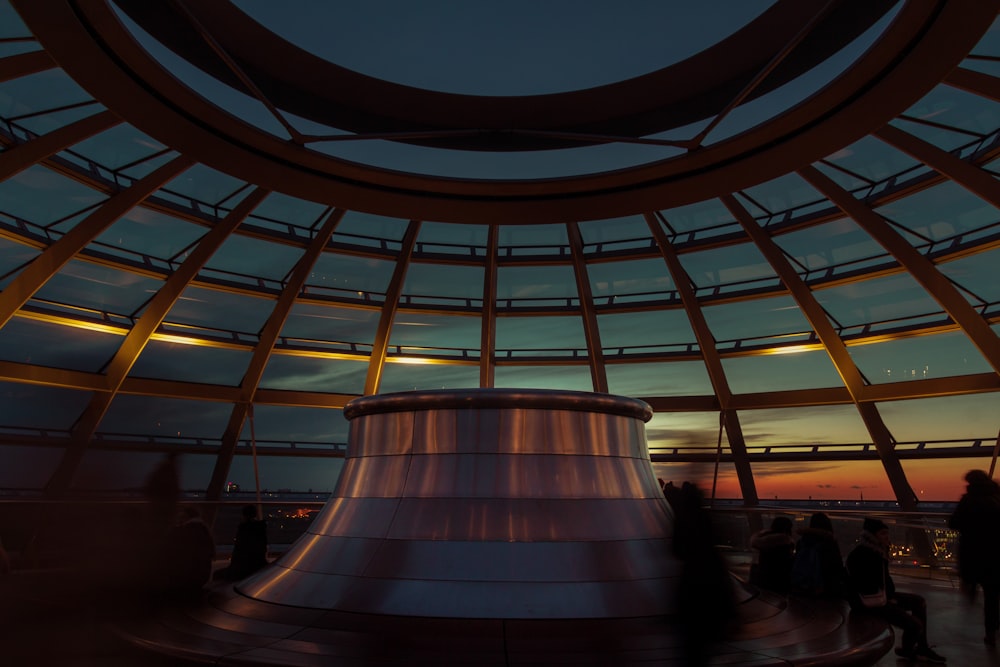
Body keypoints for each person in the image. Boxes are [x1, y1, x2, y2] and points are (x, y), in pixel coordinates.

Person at [846, 517, 946, 663]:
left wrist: (889, 596)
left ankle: (917, 648)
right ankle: (911, 649)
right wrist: (890, 599)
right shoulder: (868, 555)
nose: (887, 537)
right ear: (872, 536)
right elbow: (868, 584)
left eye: (887, 533)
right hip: (870, 602)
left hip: (879, 597)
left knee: (919, 602)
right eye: (883, 534)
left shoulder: (875, 552)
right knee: (915, 624)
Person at [948, 469, 1000, 646]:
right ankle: (992, 630)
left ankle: (970, 589)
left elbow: (954, 523)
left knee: (976, 581)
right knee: (992, 595)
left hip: (973, 553)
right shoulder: (996, 498)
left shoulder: (968, 500)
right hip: (994, 554)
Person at [790, 512, 847, 598]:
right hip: (826, 590)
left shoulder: (801, 543)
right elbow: (836, 567)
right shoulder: (830, 543)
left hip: (803, 589)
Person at [163, 506, 216, 598]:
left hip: (186, 577)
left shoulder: (183, 531)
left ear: (186, 516)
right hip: (201, 577)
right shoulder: (203, 529)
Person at [215, 504, 269, 581]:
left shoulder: (243, 529)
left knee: (217, 575)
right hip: (257, 564)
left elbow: (239, 550)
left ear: (244, 515)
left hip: (243, 566)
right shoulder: (260, 528)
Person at [750, 516, 795, 593]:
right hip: (777, 585)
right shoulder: (783, 545)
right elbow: (785, 568)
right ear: (786, 529)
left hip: (760, 583)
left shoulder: (761, 544)